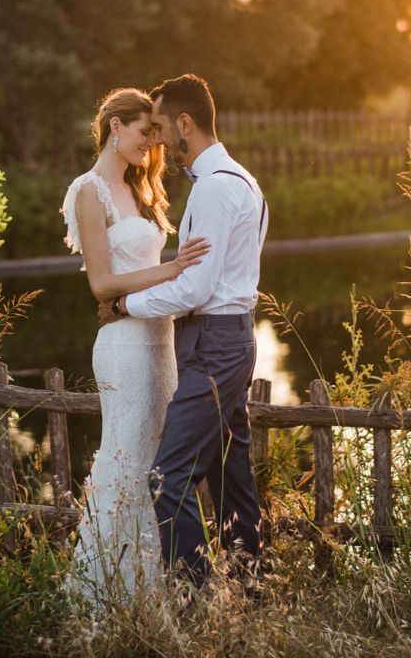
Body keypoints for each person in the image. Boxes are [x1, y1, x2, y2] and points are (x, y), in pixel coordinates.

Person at [98, 73, 267, 590]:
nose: (159, 141)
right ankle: (250, 590)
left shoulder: (216, 189)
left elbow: (195, 290)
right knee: (229, 477)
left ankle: (195, 601)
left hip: (214, 342)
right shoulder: (241, 179)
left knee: (166, 480)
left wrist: (127, 304)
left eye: (164, 127)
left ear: (186, 124)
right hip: (226, 339)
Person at [60, 87, 211, 602]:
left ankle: (150, 596)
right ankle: (101, 596)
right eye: (145, 130)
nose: (154, 140)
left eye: (156, 131)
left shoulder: (140, 191)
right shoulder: (90, 191)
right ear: (114, 127)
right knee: (123, 462)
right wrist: (171, 268)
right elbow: (101, 285)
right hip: (123, 345)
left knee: (153, 466)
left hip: (160, 342)